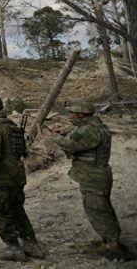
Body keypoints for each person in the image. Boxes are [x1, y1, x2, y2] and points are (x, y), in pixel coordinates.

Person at [54, 101, 135, 261]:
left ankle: (113, 247)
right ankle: (111, 240)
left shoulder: (89, 130)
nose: (69, 115)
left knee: (97, 210)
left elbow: (70, 145)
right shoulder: (96, 127)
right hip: (95, 175)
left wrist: (56, 138)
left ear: (80, 114)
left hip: (93, 176)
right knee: (103, 209)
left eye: (72, 113)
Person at [0, 94, 46, 261]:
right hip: (17, 176)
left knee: (0, 212)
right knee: (17, 210)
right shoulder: (13, 127)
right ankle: (32, 243)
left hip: (1, 179)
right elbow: (23, 152)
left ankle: (12, 246)